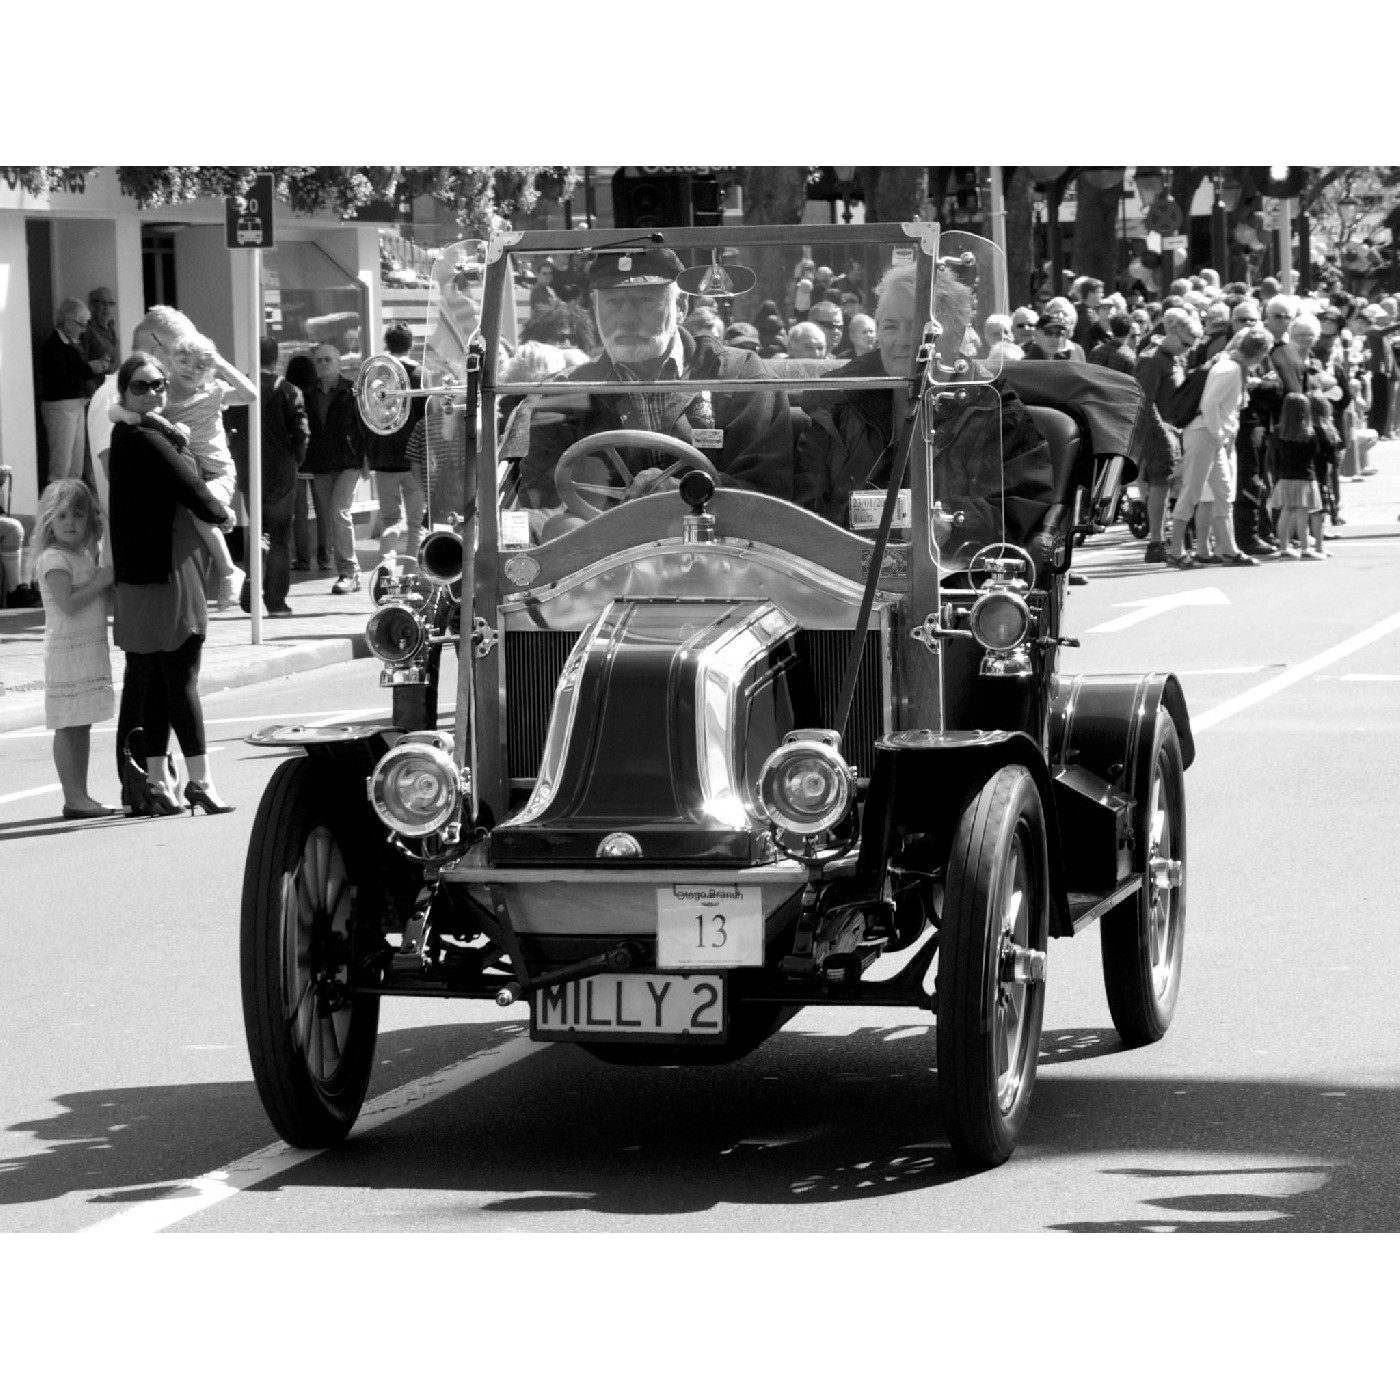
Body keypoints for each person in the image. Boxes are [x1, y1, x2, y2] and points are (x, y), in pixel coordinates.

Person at [794, 261, 1054, 554]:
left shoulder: (994, 407)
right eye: (891, 326)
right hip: (844, 574)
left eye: (921, 328)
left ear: (957, 334)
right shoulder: (839, 399)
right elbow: (805, 500)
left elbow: (1022, 506)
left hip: (954, 578)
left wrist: (953, 524)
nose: (904, 340)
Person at [515, 246, 794, 517]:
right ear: (595, 308)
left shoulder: (738, 375)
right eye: (613, 302)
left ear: (681, 305)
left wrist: (687, 492)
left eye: (643, 301)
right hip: (607, 556)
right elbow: (541, 503)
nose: (625, 319)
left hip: (724, 554)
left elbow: (769, 495)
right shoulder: (564, 394)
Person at [108, 353, 237, 816]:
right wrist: (224, 515)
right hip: (165, 572)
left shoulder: (139, 431)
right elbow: (193, 489)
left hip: (149, 574)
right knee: (181, 679)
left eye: (158, 384)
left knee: (159, 684)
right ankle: (199, 781)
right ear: (123, 393)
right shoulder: (143, 436)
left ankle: (158, 781)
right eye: (140, 386)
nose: (153, 392)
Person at [111, 328, 257, 611]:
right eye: (184, 362)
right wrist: (128, 416)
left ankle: (229, 571)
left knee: (201, 512)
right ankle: (221, 523)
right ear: (171, 362)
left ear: (209, 370)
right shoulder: (163, 394)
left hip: (216, 473)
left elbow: (250, 395)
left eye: (200, 366)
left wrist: (221, 363)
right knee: (191, 515)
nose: (191, 369)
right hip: (189, 474)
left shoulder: (213, 392)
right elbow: (114, 411)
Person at [30, 479, 117, 818]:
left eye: (78, 516)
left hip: (86, 651)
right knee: (68, 724)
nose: (70, 523)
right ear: (49, 520)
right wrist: (100, 581)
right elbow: (67, 603)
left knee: (82, 724)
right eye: (62, 515)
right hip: (67, 654)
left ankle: (81, 794)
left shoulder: (82, 555)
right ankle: (73, 797)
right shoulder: (54, 559)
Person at [1166, 325, 1273, 569]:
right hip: (1206, 434)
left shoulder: (1228, 363)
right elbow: (1210, 404)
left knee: (1223, 492)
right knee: (1192, 491)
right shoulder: (1232, 369)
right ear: (1258, 353)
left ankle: (1228, 548)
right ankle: (1176, 551)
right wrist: (1220, 435)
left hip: (1210, 435)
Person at [1134, 307, 1201, 564]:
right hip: (1158, 430)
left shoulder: (1173, 357)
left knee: (1170, 484)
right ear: (1171, 332)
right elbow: (1144, 400)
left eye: (1191, 346)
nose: (1187, 349)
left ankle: (1171, 538)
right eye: (1184, 343)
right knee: (1160, 484)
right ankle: (1156, 541)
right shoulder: (1152, 359)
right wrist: (1162, 433)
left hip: (1173, 428)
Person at [303, 343, 367, 593]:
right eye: (319, 361)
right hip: (321, 464)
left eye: (328, 359)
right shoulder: (308, 394)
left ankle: (349, 572)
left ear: (338, 362)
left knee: (340, 511)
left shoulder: (352, 391)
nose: (323, 364)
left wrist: (365, 461)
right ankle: (351, 573)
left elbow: (363, 427)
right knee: (331, 516)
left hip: (348, 463)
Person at [253, 335, 310, 615]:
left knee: (256, 535)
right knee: (278, 539)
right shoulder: (288, 389)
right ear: (276, 359)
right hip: (281, 472)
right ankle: (275, 602)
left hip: (250, 470)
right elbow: (302, 433)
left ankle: (250, 593)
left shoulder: (240, 389)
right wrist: (295, 459)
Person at [366, 322, 426, 575]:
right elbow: (426, 418)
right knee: (416, 524)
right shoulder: (418, 373)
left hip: (383, 458)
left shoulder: (377, 374)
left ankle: (386, 565)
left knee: (390, 519)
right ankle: (410, 574)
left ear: (387, 344)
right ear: (410, 344)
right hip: (413, 460)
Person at [39, 298, 105, 485]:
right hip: (60, 407)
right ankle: (57, 510)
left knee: (76, 467)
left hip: (75, 405)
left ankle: (73, 507)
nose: (84, 330)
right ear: (67, 321)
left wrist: (90, 368)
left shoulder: (71, 344)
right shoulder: (53, 346)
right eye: (81, 325)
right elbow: (61, 380)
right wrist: (89, 369)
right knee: (61, 466)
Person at [1268, 393, 1324, 560]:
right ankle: (1305, 548)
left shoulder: (1278, 431)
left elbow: (1274, 456)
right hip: (1305, 476)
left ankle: (1284, 547)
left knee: (1286, 512)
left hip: (1285, 477)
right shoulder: (1309, 431)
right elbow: (1315, 453)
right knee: (1302, 513)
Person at [284, 353, 320, 569]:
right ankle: (324, 556)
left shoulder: (290, 395)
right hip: (319, 459)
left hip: (297, 457)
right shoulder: (317, 394)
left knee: (299, 512)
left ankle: (302, 558)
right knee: (323, 511)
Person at [81, 288, 119, 382]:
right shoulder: (86, 330)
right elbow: (82, 367)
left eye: (110, 304)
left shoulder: (111, 329)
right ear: (92, 306)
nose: (107, 308)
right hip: (94, 390)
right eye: (102, 303)